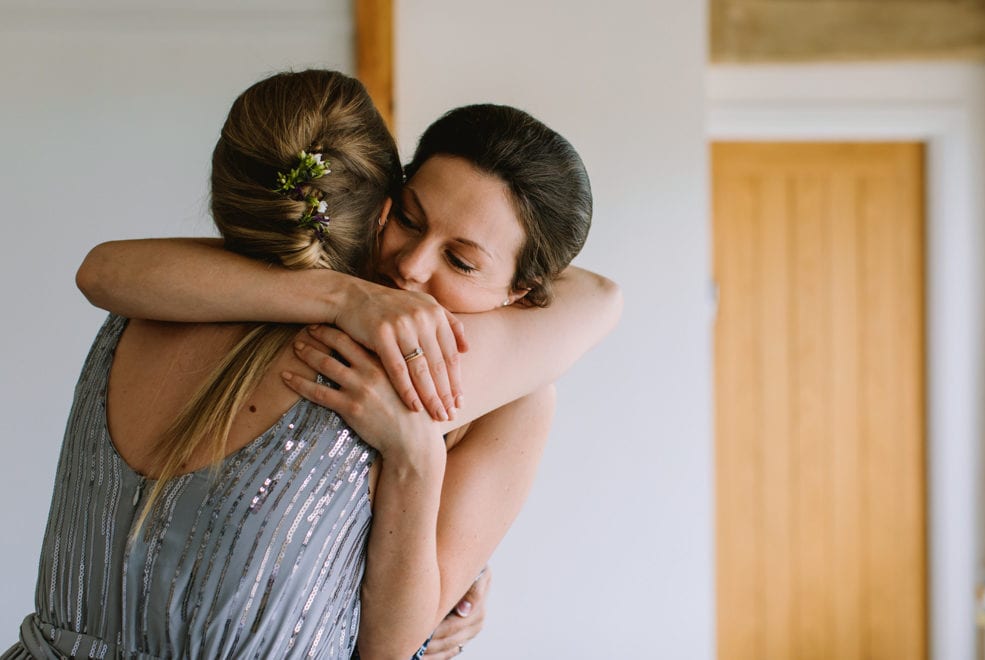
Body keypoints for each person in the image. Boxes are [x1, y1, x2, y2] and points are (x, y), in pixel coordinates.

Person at [54, 73, 620, 658]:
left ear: (521, 294)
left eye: (461, 260)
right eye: (408, 218)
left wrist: (418, 466)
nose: (412, 266)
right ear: (382, 198)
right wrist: (343, 297)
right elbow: (102, 270)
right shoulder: (214, 294)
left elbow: (601, 296)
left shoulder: (503, 391)